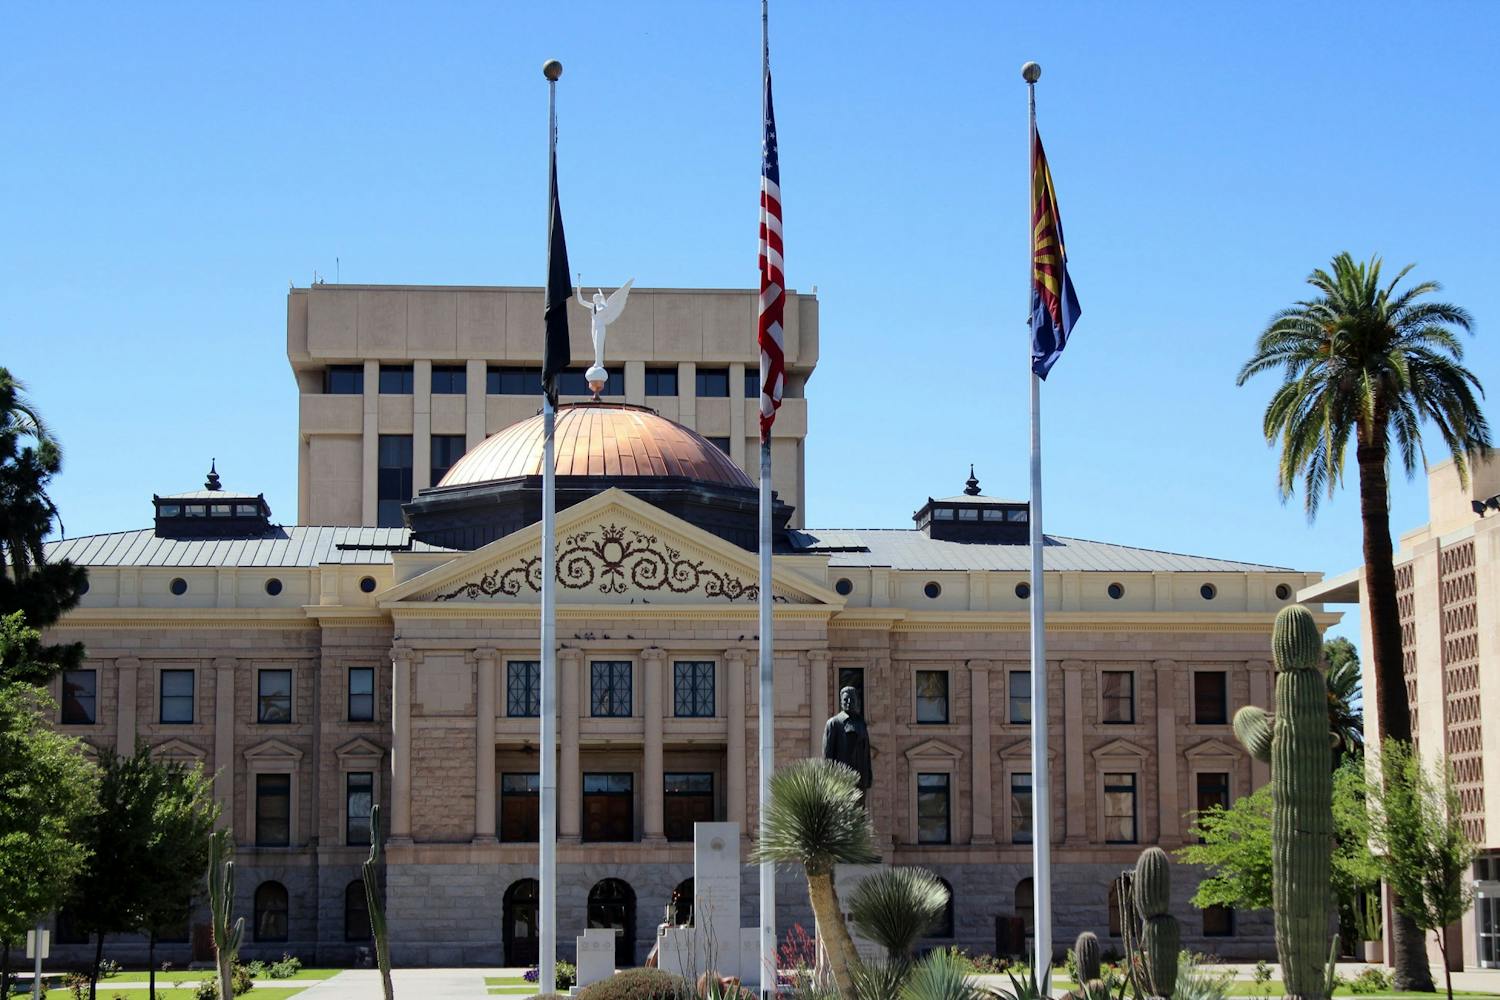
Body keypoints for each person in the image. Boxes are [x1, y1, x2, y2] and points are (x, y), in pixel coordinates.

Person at [822, 685, 873, 794]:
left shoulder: (861, 724)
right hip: (841, 781)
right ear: (841, 702)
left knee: (860, 810)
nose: (849, 702)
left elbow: (866, 753)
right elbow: (827, 756)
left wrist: (868, 776)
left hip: (860, 782)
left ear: (857, 702)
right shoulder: (834, 723)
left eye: (852, 699)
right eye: (845, 699)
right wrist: (828, 781)